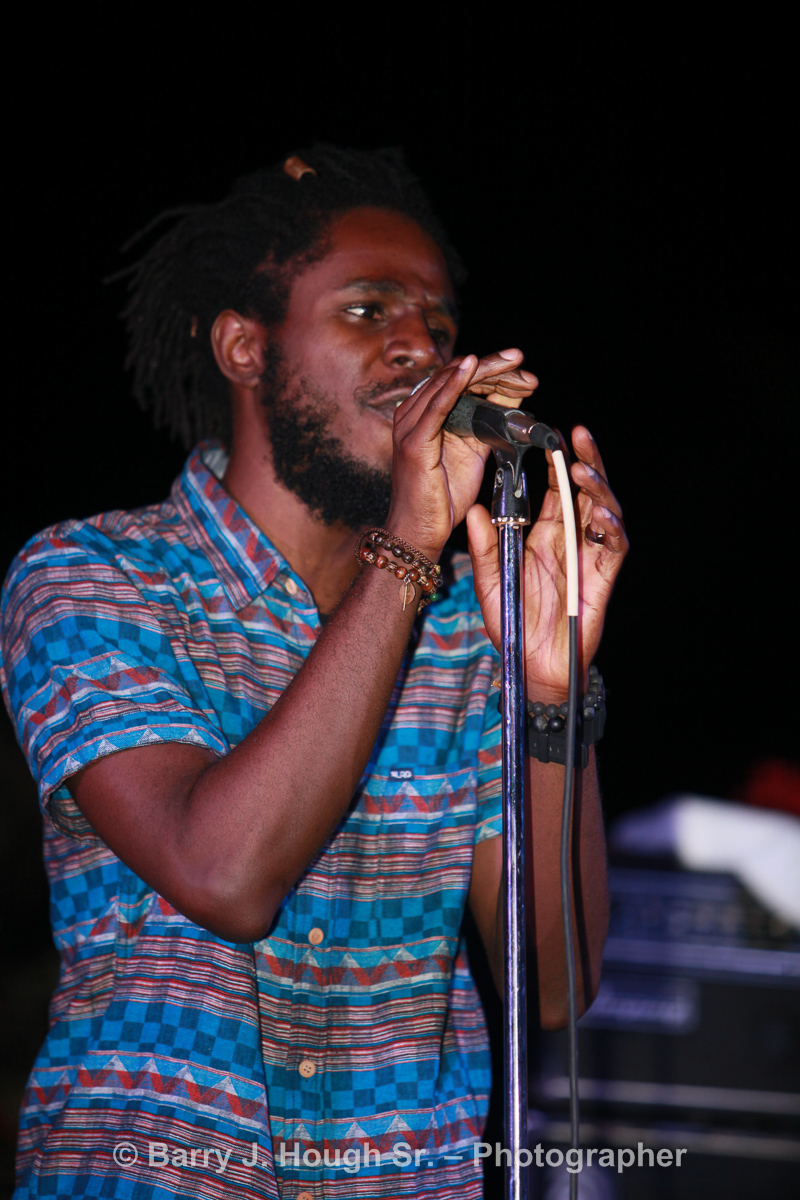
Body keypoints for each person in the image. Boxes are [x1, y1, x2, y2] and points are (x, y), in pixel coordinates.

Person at [0, 145, 627, 1199]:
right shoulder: (93, 575)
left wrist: (549, 694)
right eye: (366, 310)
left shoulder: (467, 631)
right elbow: (225, 874)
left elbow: (552, 985)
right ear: (245, 348)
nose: (418, 347)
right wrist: (407, 550)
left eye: (437, 325)